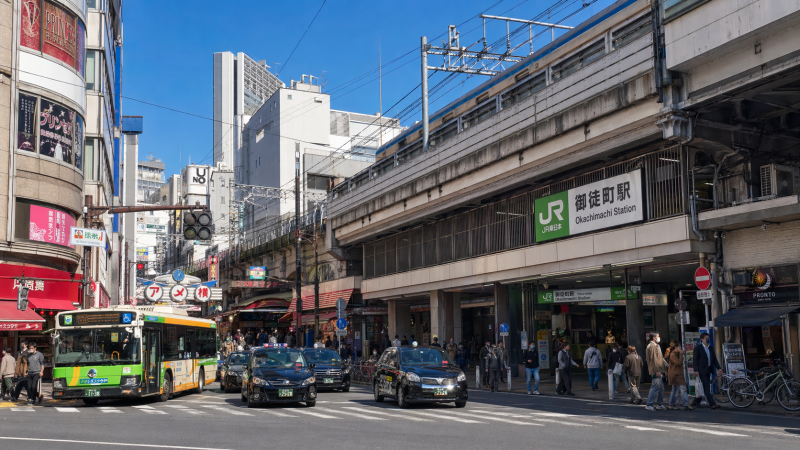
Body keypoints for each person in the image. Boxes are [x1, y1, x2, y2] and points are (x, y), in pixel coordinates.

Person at [691, 332, 723, 410]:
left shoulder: (711, 348)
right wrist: (696, 370)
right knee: (706, 387)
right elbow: (694, 360)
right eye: (706, 338)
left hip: (708, 369)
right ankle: (712, 404)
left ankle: (695, 401)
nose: (708, 339)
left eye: (709, 338)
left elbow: (714, 359)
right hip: (701, 370)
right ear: (702, 339)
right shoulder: (698, 348)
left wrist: (719, 368)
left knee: (703, 387)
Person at [645, 331, 667, 411]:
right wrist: (657, 370)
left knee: (661, 388)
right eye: (658, 336)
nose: (659, 337)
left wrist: (665, 368)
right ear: (654, 337)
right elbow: (654, 359)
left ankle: (660, 404)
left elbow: (660, 358)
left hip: (659, 370)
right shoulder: (652, 346)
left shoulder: (656, 346)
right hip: (656, 370)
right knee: (655, 387)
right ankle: (649, 404)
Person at [668, 344, 694, 411]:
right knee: (683, 389)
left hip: (676, 374)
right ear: (676, 347)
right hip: (677, 375)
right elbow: (678, 363)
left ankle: (671, 404)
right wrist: (681, 355)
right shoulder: (674, 354)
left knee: (675, 390)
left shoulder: (674, 354)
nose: (680, 348)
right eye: (679, 347)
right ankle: (686, 405)